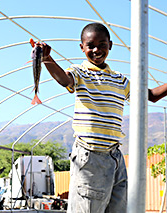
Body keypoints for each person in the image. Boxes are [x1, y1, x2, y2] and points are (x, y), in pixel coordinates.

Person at [36, 22, 167, 212]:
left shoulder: (120, 81)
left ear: (110, 45)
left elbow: (151, 96)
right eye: (91, 45)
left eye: (102, 44)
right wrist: (47, 58)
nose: (97, 49)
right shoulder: (80, 73)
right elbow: (64, 80)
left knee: (119, 208)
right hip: (90, 156)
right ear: (82, 47)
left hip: (115, 156)